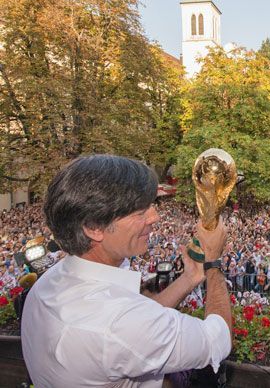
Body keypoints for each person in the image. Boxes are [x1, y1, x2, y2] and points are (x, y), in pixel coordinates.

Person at [21, 155, 232, 387]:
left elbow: (137, 320)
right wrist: (213, 263)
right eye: (140, 212)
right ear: (93, 227)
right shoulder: (117, 324)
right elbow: (218, 341)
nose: (155, 217)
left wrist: (189, 278)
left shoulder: (50, 281)